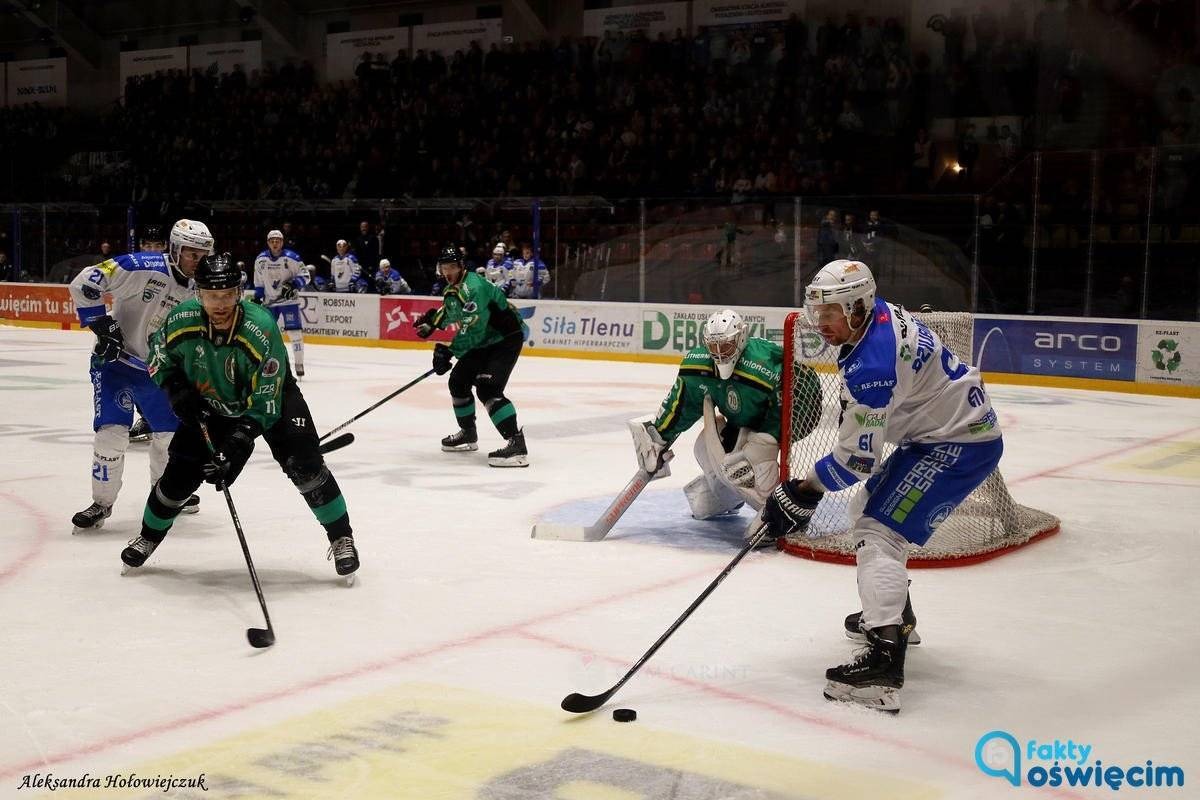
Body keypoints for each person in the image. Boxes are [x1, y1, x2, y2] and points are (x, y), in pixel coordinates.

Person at [761, 259, 1003, 713]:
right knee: (866, 511)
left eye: (830, 312)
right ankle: (896, 618)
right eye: (816, 311)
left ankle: (884, 663)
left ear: (858, 307)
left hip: (956, 444)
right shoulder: (876, 317)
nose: (820, 323)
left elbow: (857, 461)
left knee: (878, 531)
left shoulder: (872, 363)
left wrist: (802, 491)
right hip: (943, 435)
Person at [121, 254, 360, 579]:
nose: (220, 304)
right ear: (198, 294)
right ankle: (148, 537)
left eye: (227, 295)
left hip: (273, 398)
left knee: (304, 465)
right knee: (179, 476)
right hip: (211, 401)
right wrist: (176, 387)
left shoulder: (260, 327)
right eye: (211, 296)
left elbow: (266, 399)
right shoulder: (181, 318)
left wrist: (237, 442)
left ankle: (341, 537)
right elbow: (158, 352)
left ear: (239, 293)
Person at [66, 219, 214, 532]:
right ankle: (101, 503)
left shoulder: (205, 289)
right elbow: (84, 282)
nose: (198, 261)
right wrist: (101, 324)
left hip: (161, 372)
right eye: (192, 254)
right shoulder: (140, 265)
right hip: (115, 365)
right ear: (175, 249)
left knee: (168, 440)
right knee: (110, 436)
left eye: (204, 255)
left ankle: (167, 497)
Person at [630, 309, 819, 538]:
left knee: (756, 458)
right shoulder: (698, 365)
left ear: (741, 339)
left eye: (726, 345)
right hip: (740, 423)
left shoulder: (764, 366)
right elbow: (682, 405)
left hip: (774, 421)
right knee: (703, 447)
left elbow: (804, 395)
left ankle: (779, 516)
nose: (719, 353)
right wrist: (659, 436)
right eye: (713, 346)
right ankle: (722, 498)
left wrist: (767, 437)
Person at [414, 245, 529, 467]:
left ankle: (517, 445)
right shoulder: (452, 288)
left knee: (488, 388)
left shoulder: (474, 287)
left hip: (505, 338)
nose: (448, 272)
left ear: (461, 266)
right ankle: (468, 433)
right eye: (444, 267)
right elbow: (451, 310)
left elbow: (472, 329)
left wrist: (450, 351)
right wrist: (432, 322)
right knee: (458, 381)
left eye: (452, 267)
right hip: (484, 339)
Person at [128, 224, 169, 444]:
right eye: (148, 245)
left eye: (157, 246)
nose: (152, 250)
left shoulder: (175, 270)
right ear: (141, 246)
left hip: (166, 332)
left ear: (165, 247)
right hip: (137, 333)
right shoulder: (131, 270)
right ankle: (147, 418)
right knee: (136, 377)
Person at [253, 229, 308, 379]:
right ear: (268, 243)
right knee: (266, 335)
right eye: (272, 241)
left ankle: (299, 364)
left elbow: (306, 275)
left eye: (278, 241)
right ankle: (266, 364)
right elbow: (259, 282)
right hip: (270, 303)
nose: (275, 243)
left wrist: (293, 284)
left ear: (282, 242)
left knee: (295, 333)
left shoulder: (292, 258)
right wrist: (258, 297)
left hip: (289, 302)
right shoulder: (260, 260)